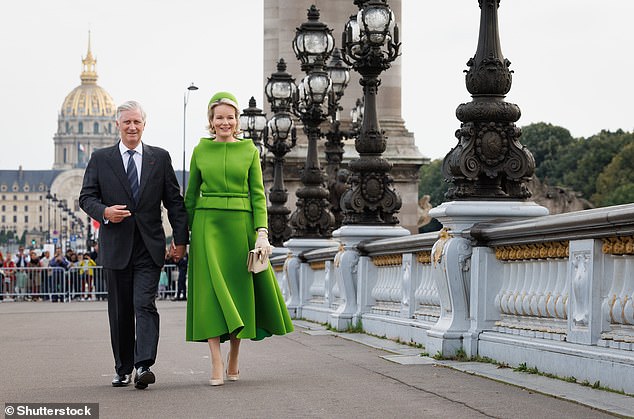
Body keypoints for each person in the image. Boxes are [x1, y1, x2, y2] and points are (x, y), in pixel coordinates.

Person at [185, 91, 293, 386]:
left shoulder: (249, 151)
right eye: (219, 117)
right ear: (211, 120)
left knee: (238, 293)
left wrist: (262, 233)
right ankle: (216, 361)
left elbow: (258, 195)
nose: (225, 122)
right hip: (208, 227)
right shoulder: (200, 151)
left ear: (237, 121)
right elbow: (191, 197)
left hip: (240, 227)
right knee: (210, 295)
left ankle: (233, 353)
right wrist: (184, 235)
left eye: (230, 117)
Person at [79, 100, 188, 389]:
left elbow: (174, 202)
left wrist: (180, 240)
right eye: (126, 122)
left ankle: (143, 366)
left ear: (144, 124)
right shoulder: (101, 159)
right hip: (116, 245)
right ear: (117, 125)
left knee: (144, 304)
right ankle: (122, 368)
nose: (132, 127)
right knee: (120, 311)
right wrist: (104, 213)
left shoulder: (160, 158)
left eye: (136, 122)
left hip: (149, 247)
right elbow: (86, 197)